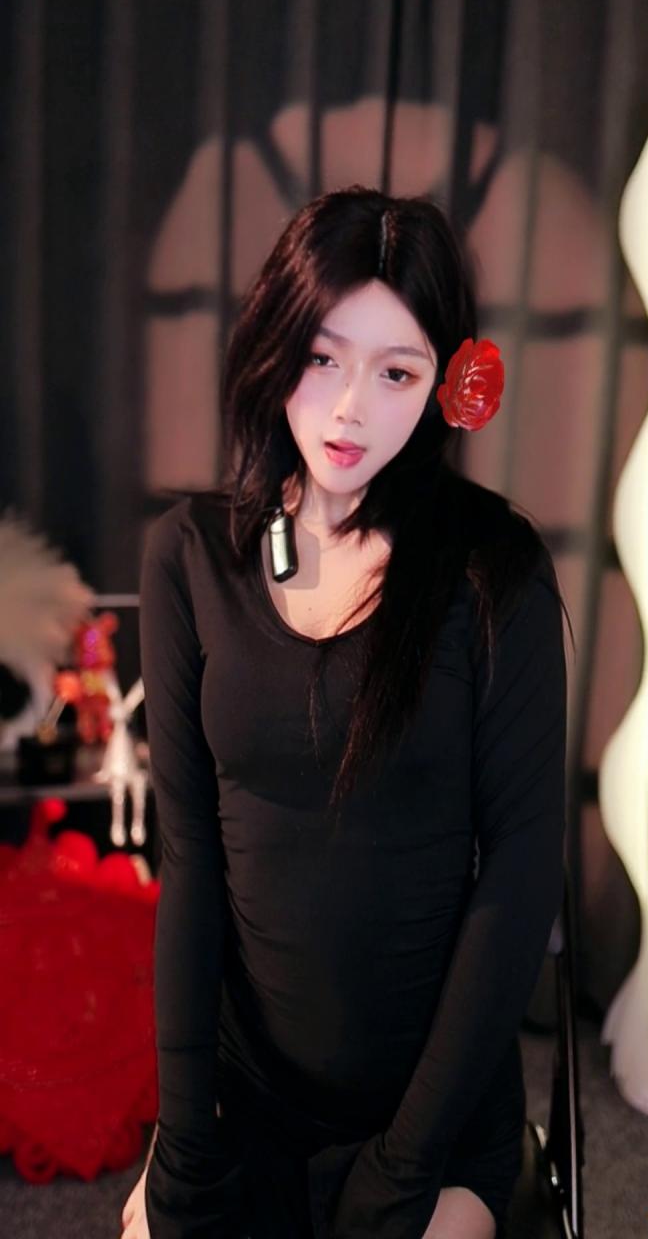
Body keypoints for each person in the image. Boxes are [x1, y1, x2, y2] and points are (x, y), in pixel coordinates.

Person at [120, 185, 570, 1239]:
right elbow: (190, 858)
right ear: (276, 344)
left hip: (432, 1109)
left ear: (449, 383)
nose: (348, 409)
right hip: (247, 1094)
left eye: (396, 371)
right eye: (322, 358)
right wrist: (185, 1139)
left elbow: (519, 873)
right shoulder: (188, 555)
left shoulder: (493, 569)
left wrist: (406, 1162)